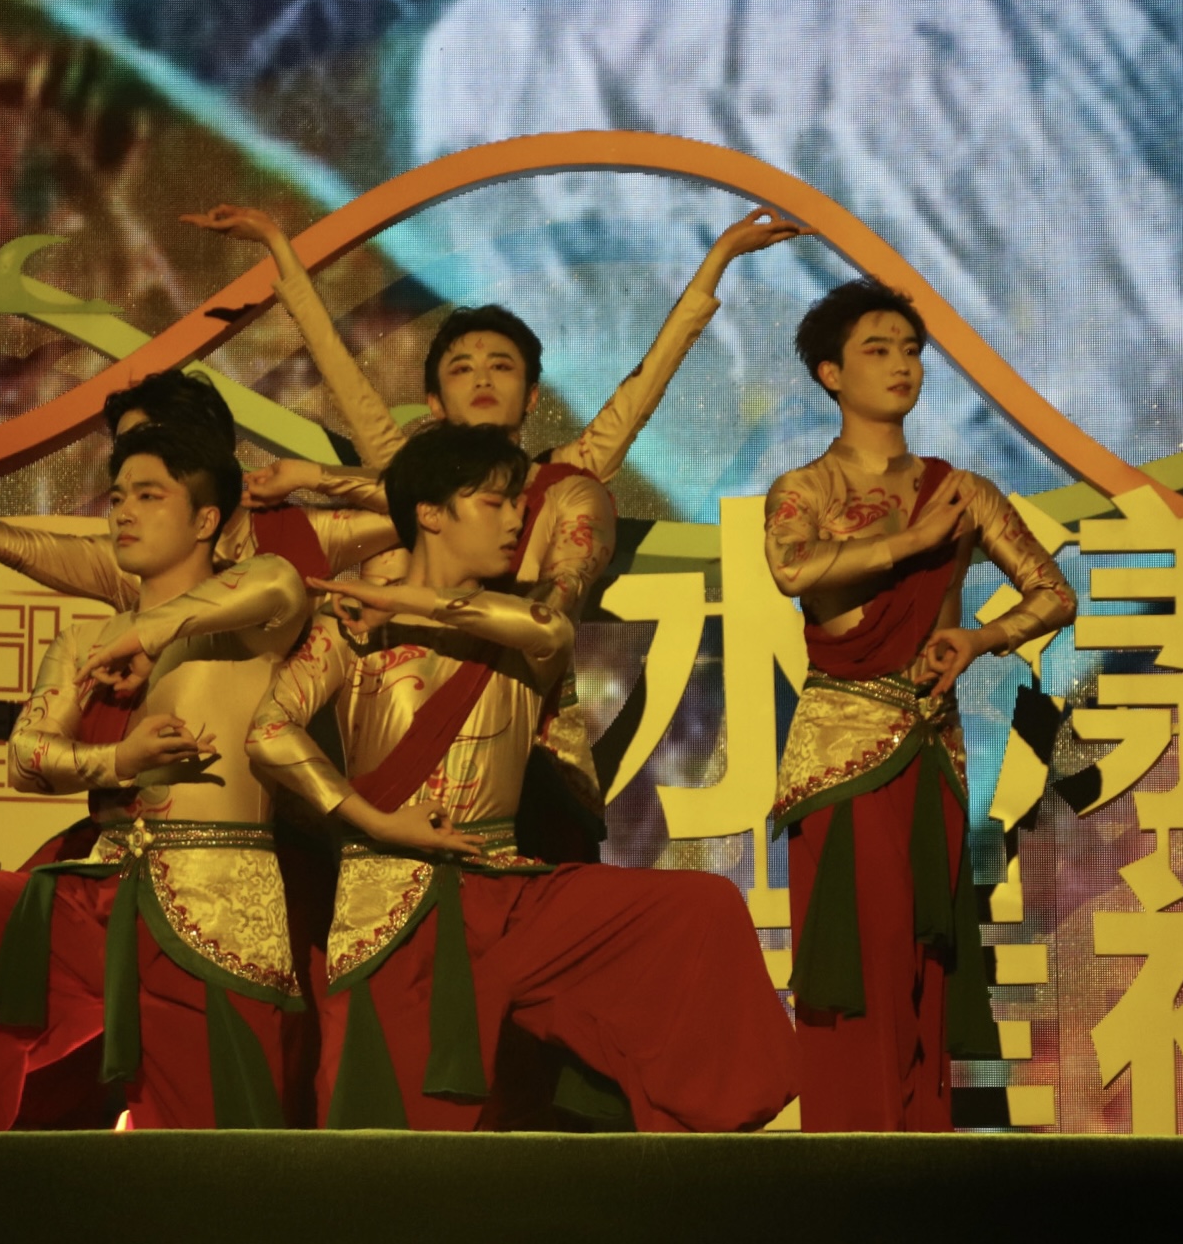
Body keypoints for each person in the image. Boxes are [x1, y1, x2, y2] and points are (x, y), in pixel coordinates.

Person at [188, 203, 807, 851]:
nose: (482, 376)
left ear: (533, 395)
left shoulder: (561, 484)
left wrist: (716, 262)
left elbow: (646, 384)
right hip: (396, 734)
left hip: (526, 755)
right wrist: (278, 248)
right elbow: (342, 371)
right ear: (434, 402)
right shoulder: (407, 481)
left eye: (502, 366)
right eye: (461, 367)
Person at [242, 422, 797, 1132]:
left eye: (517, 503)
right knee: (397, 1133)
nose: (515, 520)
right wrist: (375, 821)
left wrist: (408, 601)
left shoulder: (519, 623)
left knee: (700, 909)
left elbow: (552, 629)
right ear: (431, 513)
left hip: (510, 894)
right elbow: (269, 732)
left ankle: (706, 1158)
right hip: (393, 901)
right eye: (495, 502)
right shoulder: (346, 625)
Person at [0, 424, 312, 1130]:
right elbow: (25, 757)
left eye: (148, 496)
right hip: (98, 896)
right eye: (117, 496)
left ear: (206, 520)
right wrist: (119, 760)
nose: (123, 511)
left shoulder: (254, 621)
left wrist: (146, 634)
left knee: (208, 1131)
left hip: (216, 902)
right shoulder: (86, 639)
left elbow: (280, 579)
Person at [761, 280, 1076, 1132]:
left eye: (910, 349)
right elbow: (791, 570)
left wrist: (980, 638)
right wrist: (912, 541)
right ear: (830, 373)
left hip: (932, 750)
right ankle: (853, 1157)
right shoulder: (804, 488)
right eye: (877, 349)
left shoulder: (962, 490)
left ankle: (918, 1158)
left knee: (923, 960)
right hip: (841, 757)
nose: (901, 364)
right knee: (857, 962)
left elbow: (1054, 593)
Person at [0, 368, 398, 584]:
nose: (134, 465)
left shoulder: (299, 536)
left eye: (151, 445)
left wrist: (316, 475)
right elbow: (17, 545)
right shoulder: (133, 562)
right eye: (124, 453)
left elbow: (422, 505)